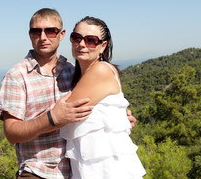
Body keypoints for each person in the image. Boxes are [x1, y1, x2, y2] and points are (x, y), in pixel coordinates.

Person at [0, 8, 137, 179]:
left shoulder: (72, 70)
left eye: (50, 31)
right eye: (36, 31)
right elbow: (11, 133)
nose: (43, 37)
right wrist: (51, 118)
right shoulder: (17, 76)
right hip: (39, 172)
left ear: (61, 34)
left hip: (81, 169)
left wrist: (117, 118)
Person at [60, 16, 146, 178]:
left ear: (103, 46)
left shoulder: (101, 70)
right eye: (76, 38)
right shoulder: (80, 76)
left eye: (91, 40)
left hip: (107, 169)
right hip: (92, 166)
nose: (82, 44)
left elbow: (62, 116)